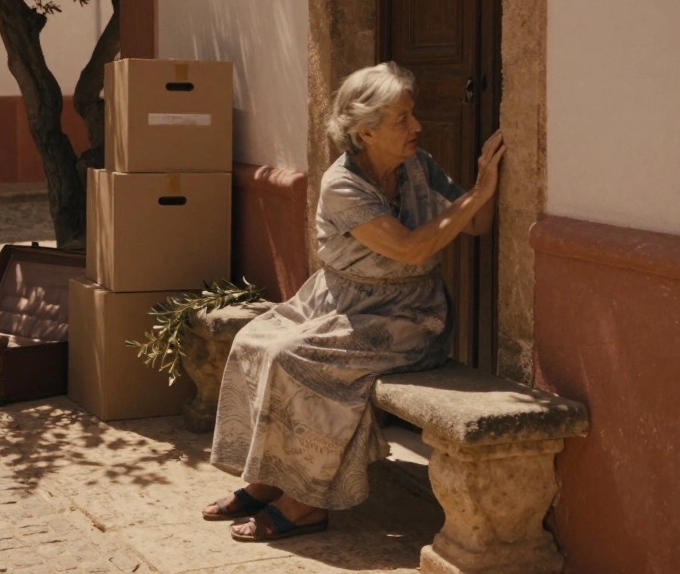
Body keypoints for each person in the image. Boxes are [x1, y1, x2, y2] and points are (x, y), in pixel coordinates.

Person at [202, 61, 506, 542]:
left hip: (409, 315)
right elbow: (409, 244)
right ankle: (268, 480)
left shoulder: (418, 166)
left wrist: (482, 186)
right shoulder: (342, 183)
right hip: (337, 298)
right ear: (365, 131)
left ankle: (305, 503)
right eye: (402, 119)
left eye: (412, 115)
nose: (417, 126)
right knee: (254, 340)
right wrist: (479, 192)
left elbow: (474, 225)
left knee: (293, 357)